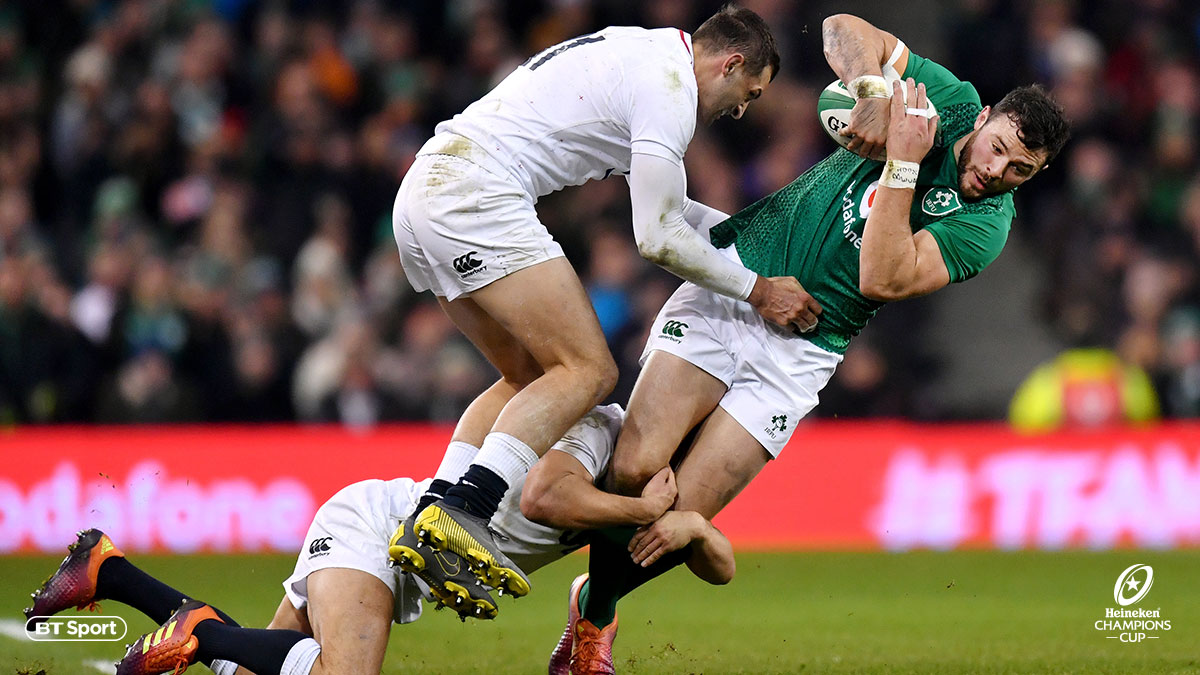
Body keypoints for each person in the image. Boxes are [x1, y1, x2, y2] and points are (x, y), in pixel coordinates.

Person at [554, 13, 1072, 674]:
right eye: (997, 147)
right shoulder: (947, 98)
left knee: (677, 519)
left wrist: (904, 165)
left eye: (1019, 170)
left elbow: (881, 276)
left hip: (802, 348)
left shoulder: (985, 225)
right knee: (635, 470)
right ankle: (588, 585)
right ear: (987, 116)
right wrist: (873, 93)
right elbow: (844, 28)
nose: (995, 171)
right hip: (739, 281)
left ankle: (593, 609)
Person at [389, 4, 819, 598]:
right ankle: (469, 508)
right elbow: (658, 237)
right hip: (476, 192)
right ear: (731, 63)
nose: (741, 109)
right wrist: (761, 290)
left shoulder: (644, 54)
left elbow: (667, 207)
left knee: (531, 376)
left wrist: (756, 246)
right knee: (588, 370)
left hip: (426, 190)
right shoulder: (670, 90)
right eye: (748, 92)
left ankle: (434, 512)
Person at [23, 405, 734, 675]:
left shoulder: (662, 492)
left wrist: (695, 523)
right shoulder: (599, 424)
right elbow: (550, 493)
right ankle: (199, 632)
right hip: (377, 527)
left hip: (395, 553)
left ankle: (109, 571)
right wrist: (639, 507)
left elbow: (723, 568)